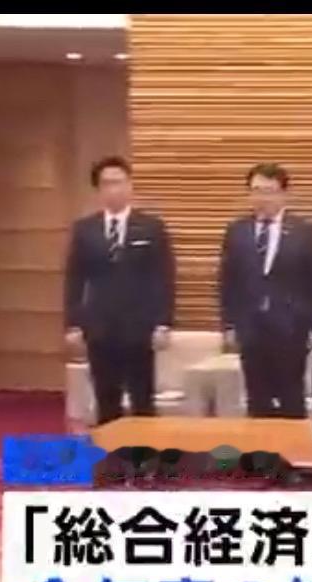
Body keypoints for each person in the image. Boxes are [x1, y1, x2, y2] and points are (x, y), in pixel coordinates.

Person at [64, 156, 176, 426]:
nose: (114, 189)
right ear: (98, 189)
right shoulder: (85, 230)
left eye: (119, 182)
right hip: (100, 328)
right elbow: (75, 278)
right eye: (107, 184)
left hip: (139, 327)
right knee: (107, 399)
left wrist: (163, 323)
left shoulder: (151, 228)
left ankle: (145, 452)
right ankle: (109, 452)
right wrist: (73, 324)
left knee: (142, 400)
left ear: (130, 185)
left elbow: (164, 277)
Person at [218, 163, 312, 418]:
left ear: (283, 194)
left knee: (291, 399)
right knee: (257, 401)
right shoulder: (237, 231)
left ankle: (292, 445)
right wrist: (229, 325)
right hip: (251, 330)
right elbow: (228, 280)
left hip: (291, 330)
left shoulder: (305, 232)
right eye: (256, 191)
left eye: (268, 191)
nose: (262, 198)